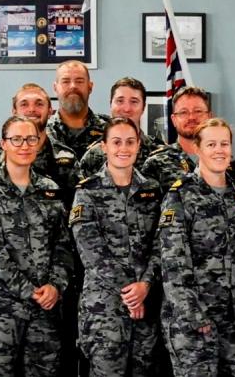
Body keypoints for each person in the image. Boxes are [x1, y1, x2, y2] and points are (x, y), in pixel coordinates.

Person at [159, 118, 235, 376]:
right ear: (197, 149)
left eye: (224, 143)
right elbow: (173, 262)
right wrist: (194, 315)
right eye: (211, 144)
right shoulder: (179, 195)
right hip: (193, 323)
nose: (219, 150)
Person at [70, 117, 162, 376]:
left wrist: (145, 285)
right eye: (117, 142)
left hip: (147, 309)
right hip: (104, 311)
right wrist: (131, 295)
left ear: (139, 145)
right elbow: (91, 252)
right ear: (104, 147)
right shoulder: (87, 192)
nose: (124, 148)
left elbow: (162, 243)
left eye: (130, 142)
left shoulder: (153, 190)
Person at [0, 116, 73, 376]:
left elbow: (63, 244)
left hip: (45, 309)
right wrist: (29, 290)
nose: (24, 145)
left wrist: (55, 285)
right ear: (3, 144)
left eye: (31, 139)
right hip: (1, 309)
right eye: (16, 139)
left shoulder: (49, 189)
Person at [143, 86, 235, 191]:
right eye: (183, 112)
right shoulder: (156, 162)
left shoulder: (227, 163)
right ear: (174, 120)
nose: (191, 117)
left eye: (198, 111)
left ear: (209, 116)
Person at [0, 83, 77, 191]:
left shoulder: (66, 157)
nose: (32, 109)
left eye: (39, 104)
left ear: (50, 111)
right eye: (24, 104)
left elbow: (77, 203)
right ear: (14, 112)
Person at [76, 77, 164, 179]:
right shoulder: (93, 156)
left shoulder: (160, 153)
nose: (126, 109)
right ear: (111, 104)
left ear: (143, 107)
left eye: (134, 102)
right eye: (120, 101)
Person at [46, 60, 109, 157]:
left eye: (79, 81)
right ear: (55, 88)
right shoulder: (43, 133)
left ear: (90, 87)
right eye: (66, 81)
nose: (73, 86)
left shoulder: (109, 130)